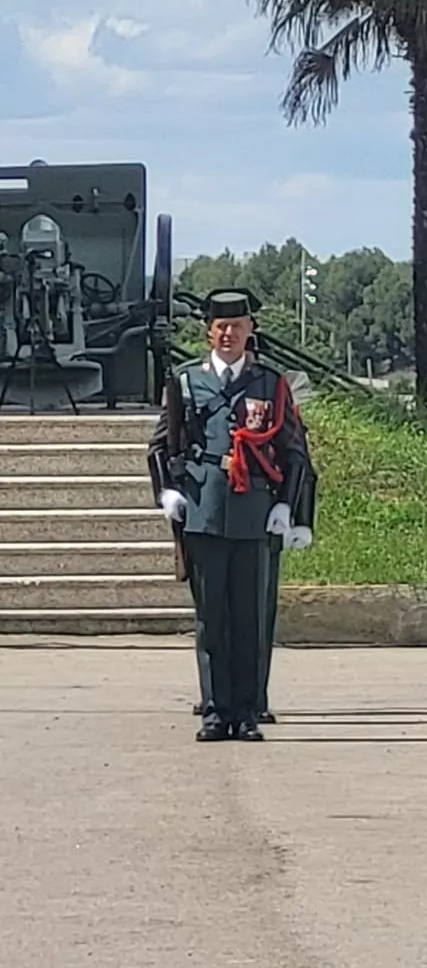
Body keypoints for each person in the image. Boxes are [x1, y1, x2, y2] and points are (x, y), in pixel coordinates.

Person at [149, 290, 308, 744]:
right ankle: (215, 711)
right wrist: (167, 493)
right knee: (211, 618)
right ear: (209, 333)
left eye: (237, 327)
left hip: (253, 514)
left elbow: (292, 451)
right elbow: (161, 445)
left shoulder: (269, 383)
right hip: (203, 510)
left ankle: (246, 712)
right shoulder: (186, 382)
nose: (228, 334)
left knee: (250, 617)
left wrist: (285, 506)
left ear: (249, 332)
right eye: (221, 327)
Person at [249, 332, 317, 726]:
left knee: (259, 615)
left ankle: (256, 694)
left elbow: (302, 469)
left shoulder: (277, 406)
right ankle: (218, 694)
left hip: (266, 519)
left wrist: (300, 519)